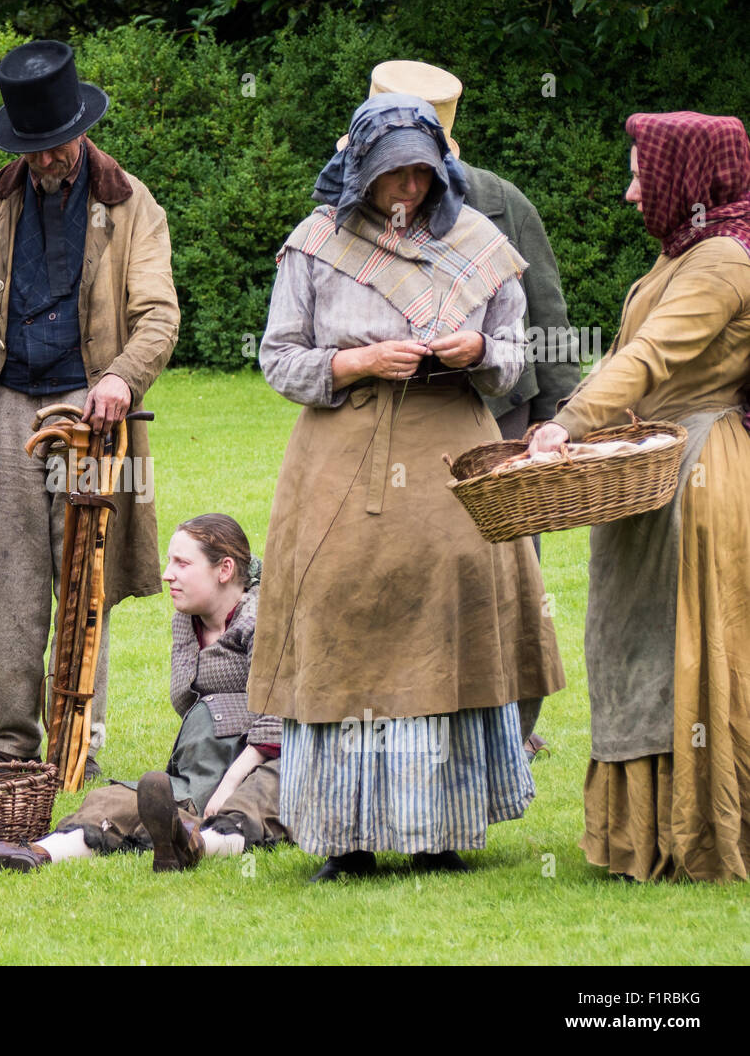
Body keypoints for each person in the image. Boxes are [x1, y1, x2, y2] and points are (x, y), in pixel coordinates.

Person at [247, 94, 565, 882]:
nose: (409, 190)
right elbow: (278, 356)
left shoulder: (478, 244)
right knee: (344, 621)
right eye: (393, 176)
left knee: (446, 627)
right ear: (360, 171)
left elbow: (517, 355)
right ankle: (345, 837)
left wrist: (476, 349)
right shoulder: (317, 244)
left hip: (449, 455)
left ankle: (440, 829)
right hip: (341, 459)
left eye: (422, 175)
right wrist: (354, 362)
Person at [0, 39, 178, 776]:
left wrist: (123, 380)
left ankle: (78, 742)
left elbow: (159, 316)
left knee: (84, 572)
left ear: (81, 128)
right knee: (8, 576)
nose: (45, 160)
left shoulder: (133, 204)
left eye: (55, 144)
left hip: (92, 404)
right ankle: (9, 743)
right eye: (31, 149)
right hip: (6, 405)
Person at [527, 112, 750, 883]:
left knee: (682, 649)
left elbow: (650, 358)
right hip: (651, 467)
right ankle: (646, 833)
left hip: (695, 476)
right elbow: (631, 358)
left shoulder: (722, 259)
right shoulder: (682, 253)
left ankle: (701, 835)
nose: (629, 192)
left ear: (687, 179)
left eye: (640, 175)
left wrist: (565, 423)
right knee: (631, 643)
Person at [355, 60, 581, 757]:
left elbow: (544, 313)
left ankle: (513, 730)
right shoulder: (347, 201)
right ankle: (416, 716)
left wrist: (558, 410)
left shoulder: (500, 200)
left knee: (512, 574)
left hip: (499, 412)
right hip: (387, 419)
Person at [0, 514, 286, 874]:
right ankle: (30, 854)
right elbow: (187, 702)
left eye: (182, 563)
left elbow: (276, 718)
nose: (167, 574)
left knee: (254, 801)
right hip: (204, 760)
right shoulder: (186, 618)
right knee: (117, 799)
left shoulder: (265, 619)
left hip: (267, 761)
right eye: (169, 561)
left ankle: (195, 844)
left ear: (224, 569)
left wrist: (229, 782)